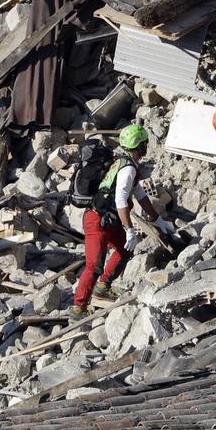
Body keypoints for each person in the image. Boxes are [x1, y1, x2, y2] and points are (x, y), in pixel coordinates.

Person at [72, 124, 174, 317]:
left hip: (108, 219)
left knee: (124, 249)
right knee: (94, 265)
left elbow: (140, 194)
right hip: (97, 219)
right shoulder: (127, 169)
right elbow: (120, 200)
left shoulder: (127, 164)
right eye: (144, 143)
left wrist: (156, 218)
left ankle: (103, 286)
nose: (146, 146)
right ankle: (78, 308)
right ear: (139, 145)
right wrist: (129, 229)